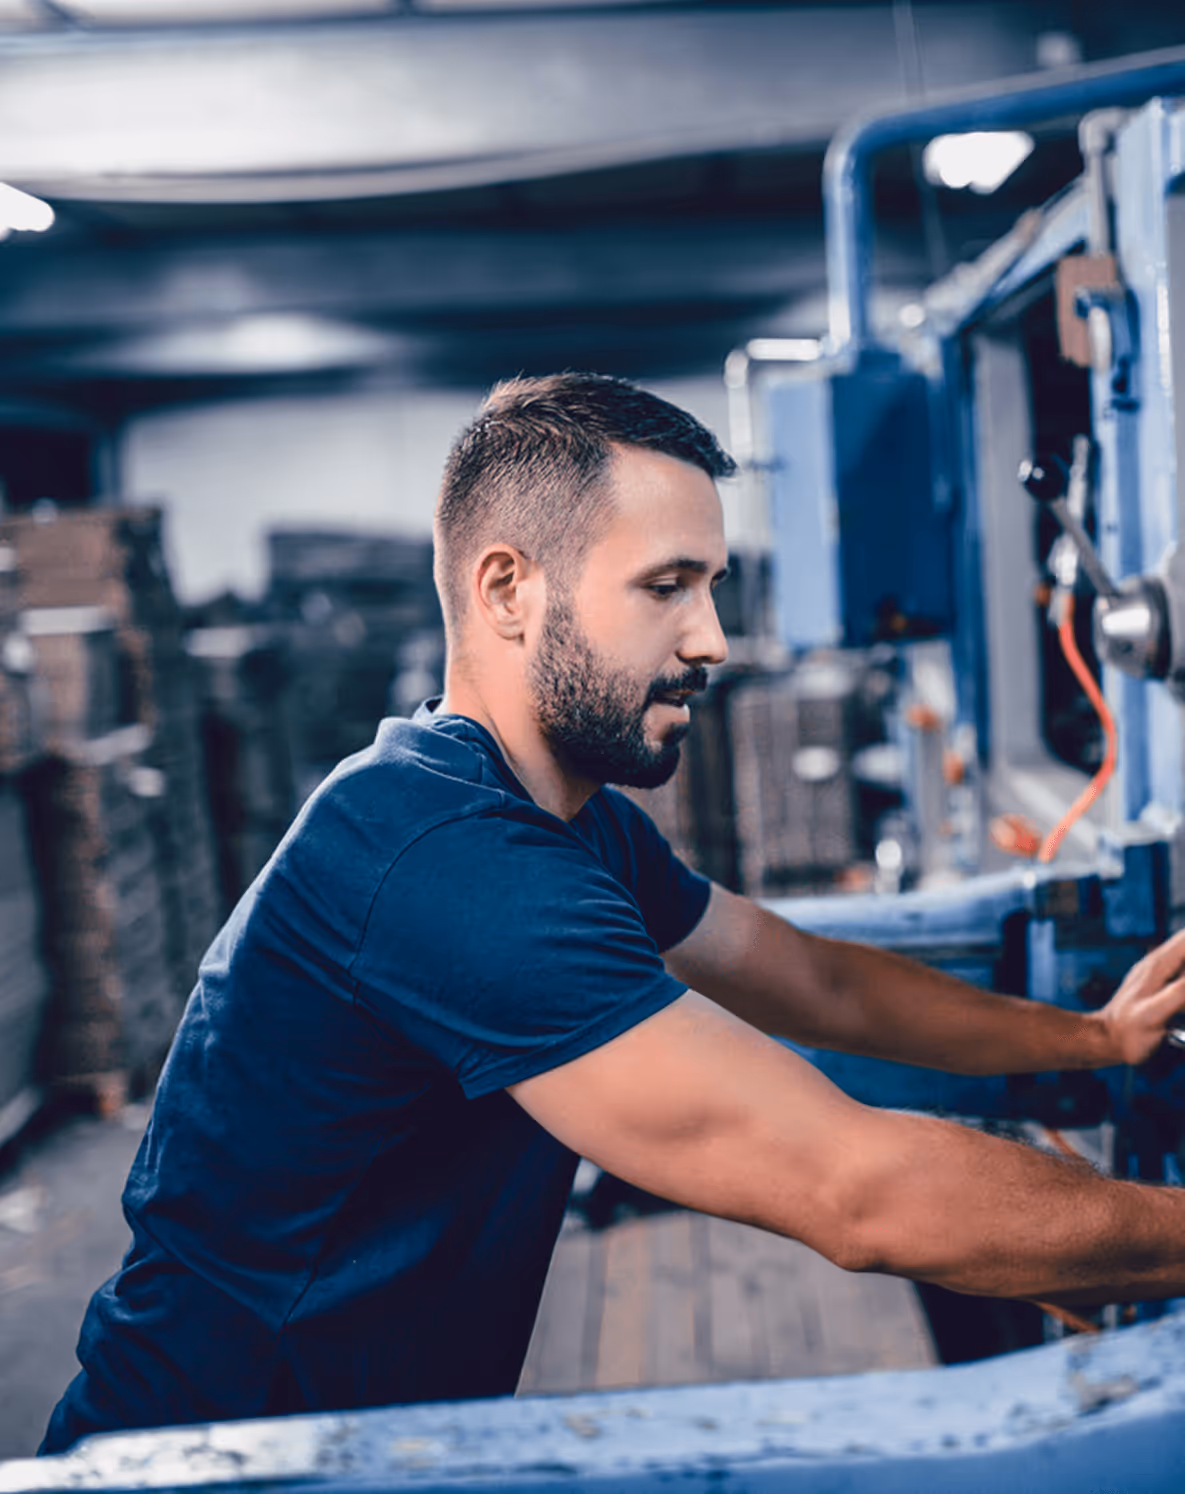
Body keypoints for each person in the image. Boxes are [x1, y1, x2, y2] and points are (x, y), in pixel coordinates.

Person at [43, 373, 1185, 1453]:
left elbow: (813, 980)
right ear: (507, 590)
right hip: (219, 1461)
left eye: (712, 588)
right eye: (666, 586)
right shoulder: (443, 857)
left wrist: (1092, 1040)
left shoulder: (555, 818)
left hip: (375, 1443)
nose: (713, 640)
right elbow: (856, 1189)